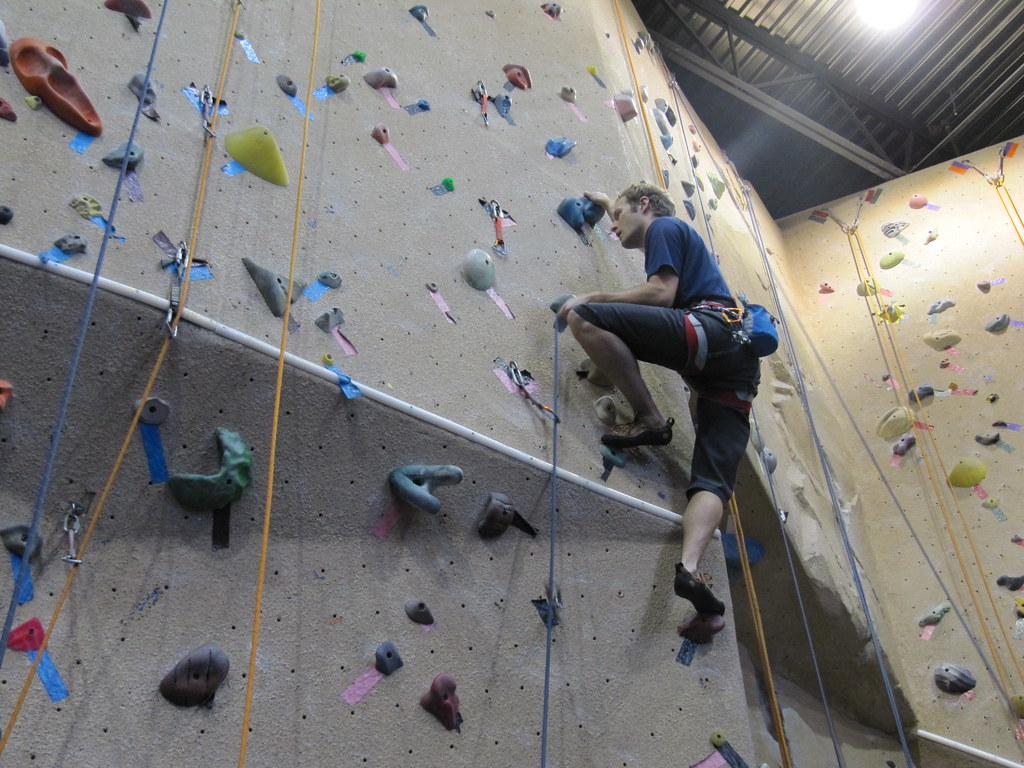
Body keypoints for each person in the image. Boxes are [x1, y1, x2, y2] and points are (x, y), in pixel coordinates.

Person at [556, 182, 760, 642]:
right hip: (736, 372)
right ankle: (688, 569)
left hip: (710, 331)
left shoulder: (666, 226)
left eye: (619, 216)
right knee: (711, 483)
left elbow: (662, 293)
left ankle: (649, 419)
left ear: (645, 206)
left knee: (582, 319)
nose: (613, 227)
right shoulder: (661, 226)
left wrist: (593, 297)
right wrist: (609, 200)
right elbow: (623, 209)